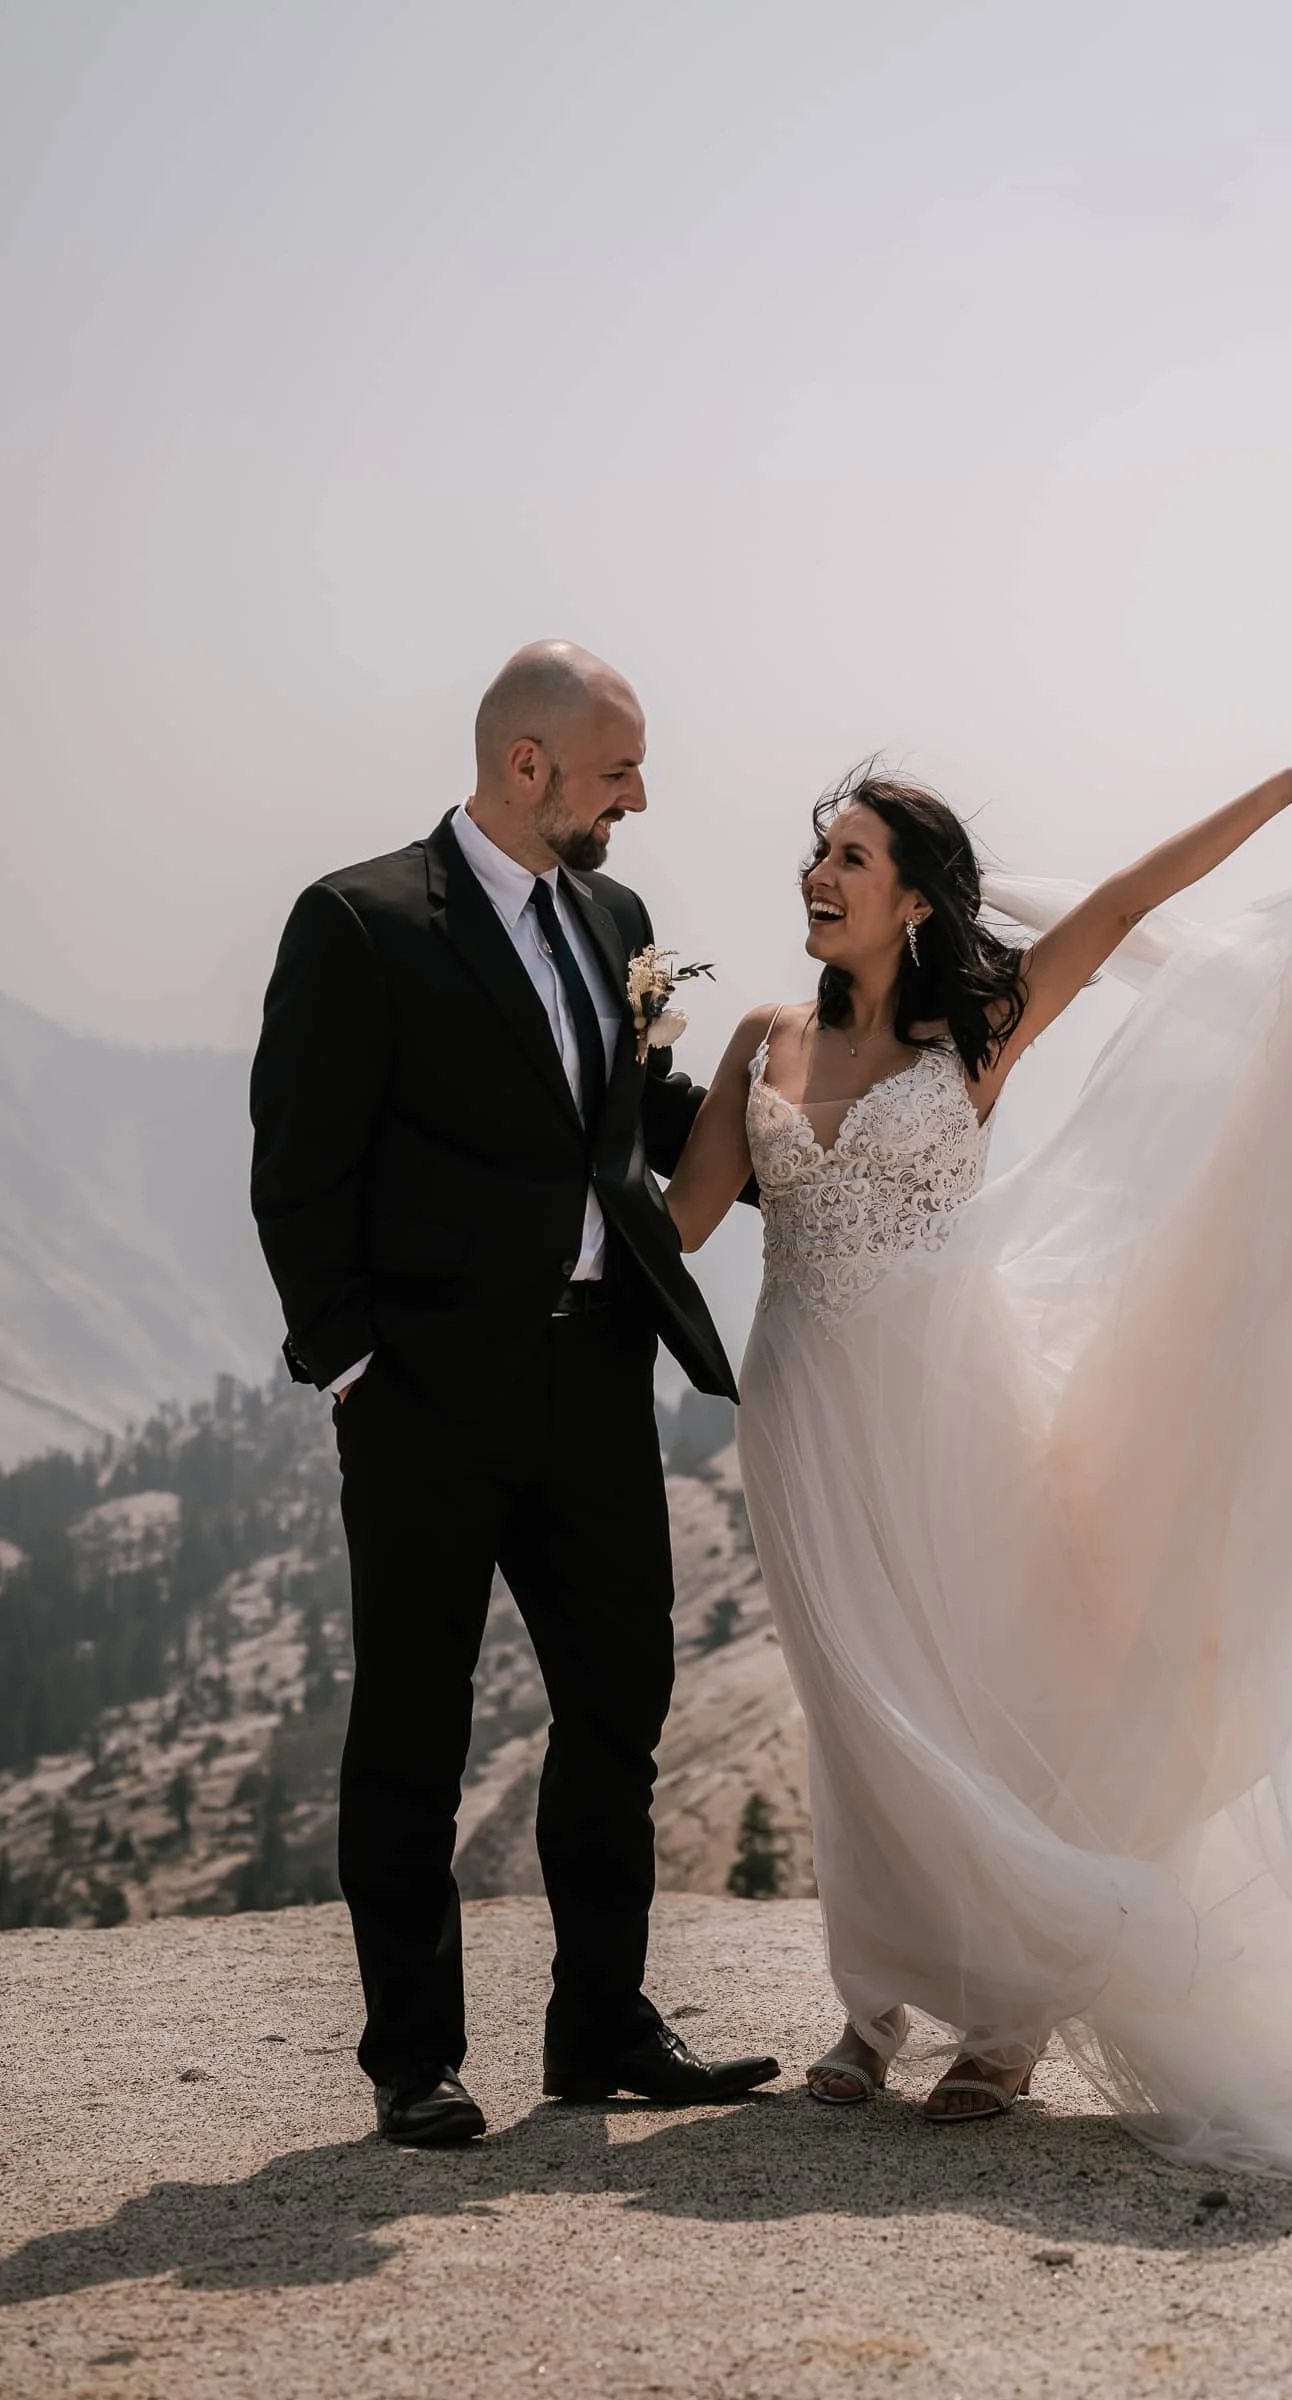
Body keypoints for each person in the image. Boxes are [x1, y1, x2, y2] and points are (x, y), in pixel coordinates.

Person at [665, 759, 1292, 2222]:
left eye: (849, 858)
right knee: (852, 1704)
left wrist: (1277, 796)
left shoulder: (974, 1020)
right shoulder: (757, 1038)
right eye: (816, 854)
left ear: (914, 898)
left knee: (982, 1687)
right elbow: (683, 1220)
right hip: (800, 1414)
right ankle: (871, 2004)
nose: (818, 877)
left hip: (948, 1406)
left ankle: (1006, 2017)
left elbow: (1120, 905)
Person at [249, 642, 778, 2145]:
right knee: (413, 1726)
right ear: (528, 765)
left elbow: (631, 1114)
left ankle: (599, 2027)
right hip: (424, 1396)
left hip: (597, 1376)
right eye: (619, 769)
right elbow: (298, 1168)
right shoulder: (358, 920)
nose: (642, 796)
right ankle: (413, 2058)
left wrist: (803, 1123)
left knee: (619, 1705)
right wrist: (351, 1367)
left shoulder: (616, 917)